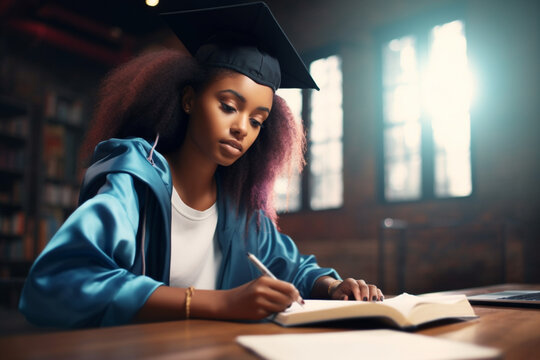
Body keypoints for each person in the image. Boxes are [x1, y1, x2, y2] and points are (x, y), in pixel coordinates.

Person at [19, 2, 383, 328]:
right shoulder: (133, 185)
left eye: (257, 120)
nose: (242, 127)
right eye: (228, 105)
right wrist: (218, 302)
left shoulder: (240, 210)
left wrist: (333, 286)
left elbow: (292, 266)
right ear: (190, 100)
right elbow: (58, 282)